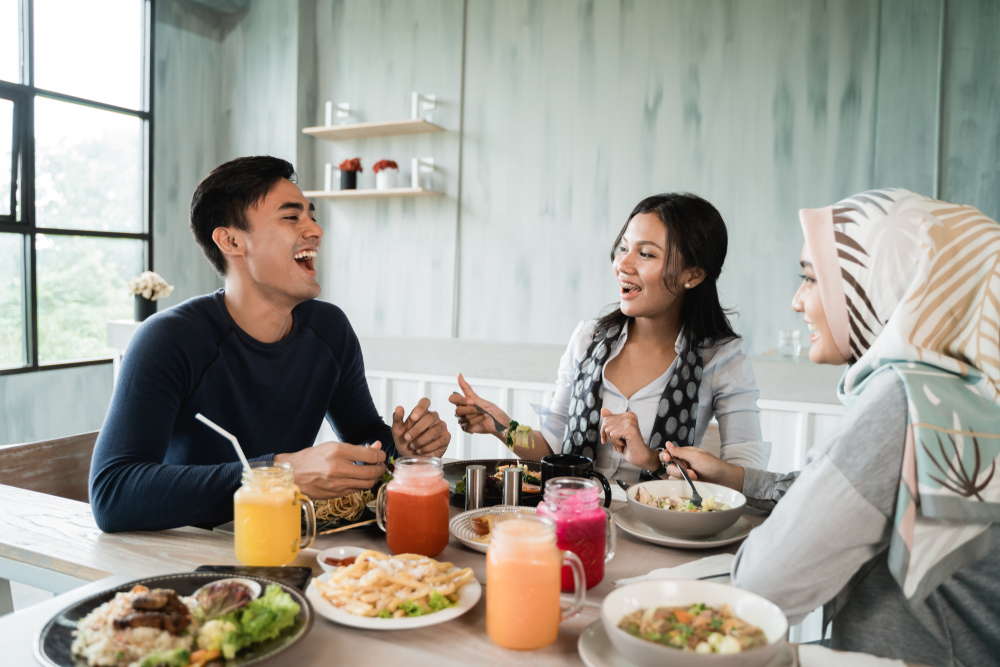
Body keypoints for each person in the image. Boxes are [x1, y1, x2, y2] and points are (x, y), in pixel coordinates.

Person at [661, 189, 1000, 666]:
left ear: (877, 283)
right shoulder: (969, 398)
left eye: (810, 277)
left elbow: (762, 586)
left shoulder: (908, 401)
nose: (797, 301)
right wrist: (737, 479)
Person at [90, 156, 451, 532]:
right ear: (231, 241)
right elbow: (113, 493)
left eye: (311, 216)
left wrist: (402, 450)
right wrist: (280, 473)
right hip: (190, 548)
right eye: (291, 217)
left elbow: (365, 437)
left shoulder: (330, 329)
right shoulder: (168, 339)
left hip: (287, 539)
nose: (316, 230)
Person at [449, 193, 768, 482]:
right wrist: (501, 426)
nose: (622, 264)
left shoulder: (723, 357)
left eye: (646, 254)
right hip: (577, 512)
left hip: (659, 522)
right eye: (623, 248)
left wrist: (653, 459)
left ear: (693, 274)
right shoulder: (588, 338)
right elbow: (552, 447)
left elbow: (748, 476)